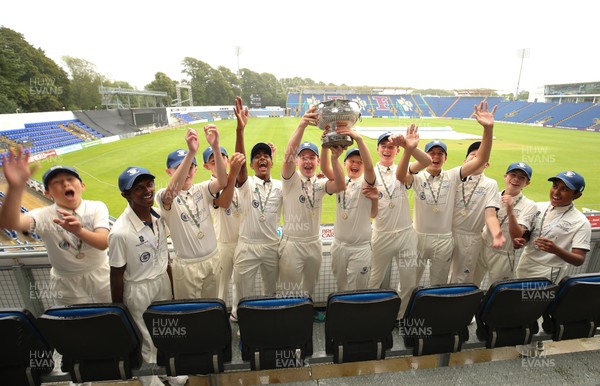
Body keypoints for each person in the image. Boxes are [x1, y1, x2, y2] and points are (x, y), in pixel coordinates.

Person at [401, 101, 497, 286]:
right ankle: (402, 315)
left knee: (439, 285)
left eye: (440, 153)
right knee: (408, 283)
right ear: (425, 156)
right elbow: (401, 176)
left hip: (444, 240)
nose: (435, 157)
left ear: (446, 157)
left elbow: (481, 159)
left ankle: (435, 316)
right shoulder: (417, 177)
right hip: (418, 237)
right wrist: (409, 149)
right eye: (431, 153)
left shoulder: (453, 176)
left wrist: (488, 129)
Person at [0, 148, 111, 306]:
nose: (65, 183)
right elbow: (10, 223)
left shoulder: (96, 207)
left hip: (102, 272)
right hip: (66, 281)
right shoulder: (44, 215)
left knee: (115, 314)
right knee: (76, 322)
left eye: (70, 179)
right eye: (57, 182)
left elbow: (103, 242)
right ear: (47, 193)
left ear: (82, 186)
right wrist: (16, 187)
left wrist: (78, 231)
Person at [109, 166, 185, 386]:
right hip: (138, 289)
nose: (147, 191)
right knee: (146, 340)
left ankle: (166, 371)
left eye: (149, 185)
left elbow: (165, 255)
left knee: (165, 333)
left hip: (161, 281)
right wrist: (118, 309)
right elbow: (116, 275)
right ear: (126, 194)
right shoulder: (120, 232)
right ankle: (149, 379)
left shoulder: (159, 216)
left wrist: (170, 289)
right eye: (138, 188)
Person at [279, 106, 345, 298]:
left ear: (317, 161)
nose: (308, 162)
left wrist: (333, 158)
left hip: (313, 243)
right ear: (298, 161)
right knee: (288, 291)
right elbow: (287, 158)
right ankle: (287, 319)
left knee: (309, 288)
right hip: (292, 244)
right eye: (303, 158)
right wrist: (301, 125)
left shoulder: (321, 183)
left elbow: (340, 184)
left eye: (312, 158)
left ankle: (306, 317)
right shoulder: (290, 180)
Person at [155, 126, 227, 299]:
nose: (187, 172)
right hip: (187, 266)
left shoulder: (202, 189)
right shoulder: (164, 195)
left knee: (212, 308)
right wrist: (190, 153)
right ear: (169, 172)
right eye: (179, 168)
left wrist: (216, 147)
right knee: (191, 314)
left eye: (190, 167)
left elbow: (223, 181)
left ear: (195, 169)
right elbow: (171, 192)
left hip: (212, 259)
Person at [368, 124, 431, 316]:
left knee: (409, 281)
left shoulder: (404, 168)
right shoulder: (369, 172)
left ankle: (400, 316)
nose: (387, 150)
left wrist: (408, 146)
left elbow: (426, 161)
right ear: (378, 149)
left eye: (391, 147)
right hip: (381, 234)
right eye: (383, 146)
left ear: (397, 150)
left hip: (405, 234)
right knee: (373, 279)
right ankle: (368, 313)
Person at [231, 138, 282, 320]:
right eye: (257, 157)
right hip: (247, 246)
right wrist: (240, 129)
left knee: (272, 289)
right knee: (244, 291)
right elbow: (240, 163)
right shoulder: (246, 184)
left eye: (266, 156)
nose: (262, 159)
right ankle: (244, 323)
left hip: (271, 246)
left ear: (272, 162)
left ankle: (269, 320)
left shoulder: (280, 186)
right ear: (251, 164)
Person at [322, 127, 378, 291]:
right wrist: (326, 146)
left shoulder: (367, 181)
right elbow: (325, 169)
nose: (355, 164)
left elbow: (369, 167)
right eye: (352, 161)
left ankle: (357, 316)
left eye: (359, 162)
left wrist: (359, 139)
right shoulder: (341, 180)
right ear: (345, 163)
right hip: (338, 246)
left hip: (360, 248)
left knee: (357, 291)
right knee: (341, 287)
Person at [515, 171, 591, 282]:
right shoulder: (538, 207)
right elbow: (529, 234)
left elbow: (579, 260)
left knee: (536, 299)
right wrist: (522, 240)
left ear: (577, 195)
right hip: (525, 262)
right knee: (516, 297)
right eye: (555, 186)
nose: (556, 192)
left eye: (565, 189)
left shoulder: (581, 222)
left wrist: (556, 250)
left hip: (548, 271)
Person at [207, 96, 246, 306]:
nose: (219, 162)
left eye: (222, 158)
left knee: (240, 287)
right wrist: (232, 174)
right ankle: (218, 320)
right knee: (220, 287)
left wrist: (241, 130)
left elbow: (243, 174)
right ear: (207, 167)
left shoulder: (236, 180)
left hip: (242, 242)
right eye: (214, 161)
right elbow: (224, 202)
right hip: (222, 244)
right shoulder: (209, 188)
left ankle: (237, 317)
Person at [473, 162, 538, 287]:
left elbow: (517, 236)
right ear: (505, 176)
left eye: (522, 177)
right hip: (482, 246)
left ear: (527, 183)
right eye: (513, 174)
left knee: (497, 290)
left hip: (504, 253)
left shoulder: (529, 205)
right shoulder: (493, 196)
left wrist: (510, 210)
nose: (516, 179)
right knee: (471, 283)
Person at [448, 141, 505, 284]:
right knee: (442, 274)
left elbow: (490, 214)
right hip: (448, 234)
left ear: (486, 164)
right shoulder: (454, 177)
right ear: (465, 160)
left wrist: (497, 233)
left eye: (480, 157)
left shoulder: (490, 184)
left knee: (462, 278)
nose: (476, 159)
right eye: (473, 155)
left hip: (471, 238)